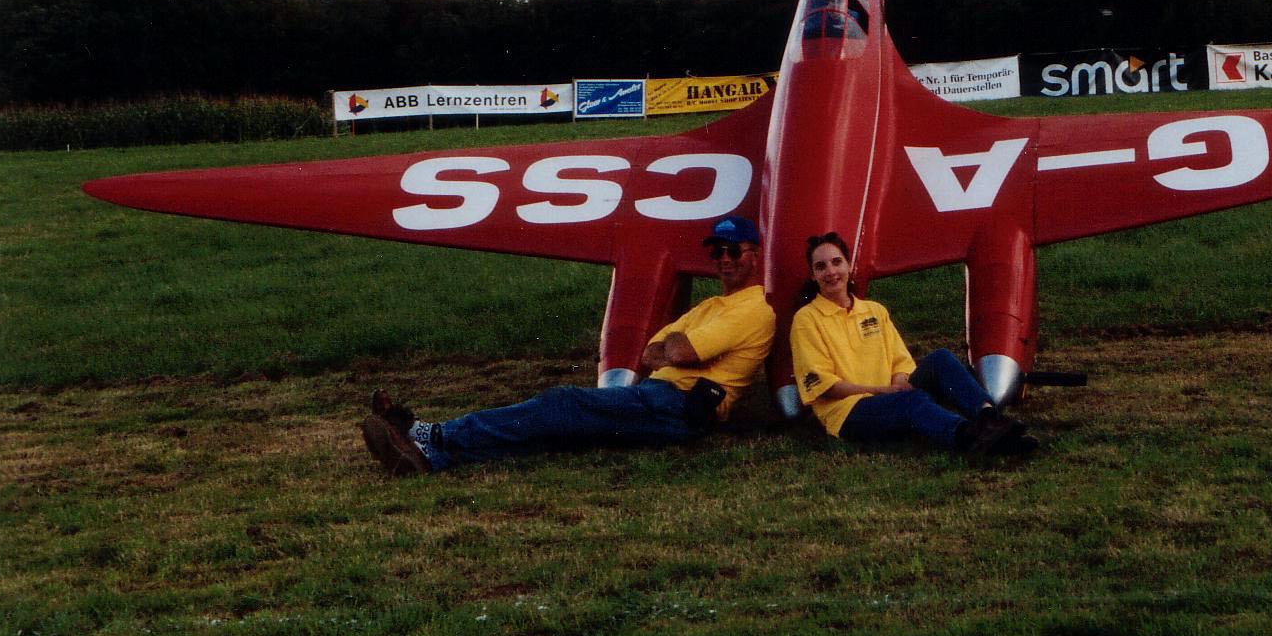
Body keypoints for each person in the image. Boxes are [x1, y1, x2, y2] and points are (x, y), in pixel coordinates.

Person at [360, 215, 775, 476]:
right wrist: (672, 347)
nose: (725, 258)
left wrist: (673, 347)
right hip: (657, 397)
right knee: (557, 432)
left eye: (734, 250)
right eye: (717, 250)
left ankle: (430, 432)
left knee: (562, 404)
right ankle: (431, 458)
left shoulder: (756, 308)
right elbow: (650, 352)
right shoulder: (713, 305)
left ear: (755, 255)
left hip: (679, 408)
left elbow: (677, 351)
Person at [789, 232, 1035, 456]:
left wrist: (898, 380)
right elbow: (825, 387)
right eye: (821, 267)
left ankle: (989, 419)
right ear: (813, 276)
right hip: (848, 411)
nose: (831, 272)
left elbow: (900, 360)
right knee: (912, 401)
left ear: (849, 264)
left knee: (941, 359)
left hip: (890, 394)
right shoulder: (806, 319)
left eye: (836, 262)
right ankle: (968, 437)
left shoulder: (874, 310)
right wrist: (885, 391)